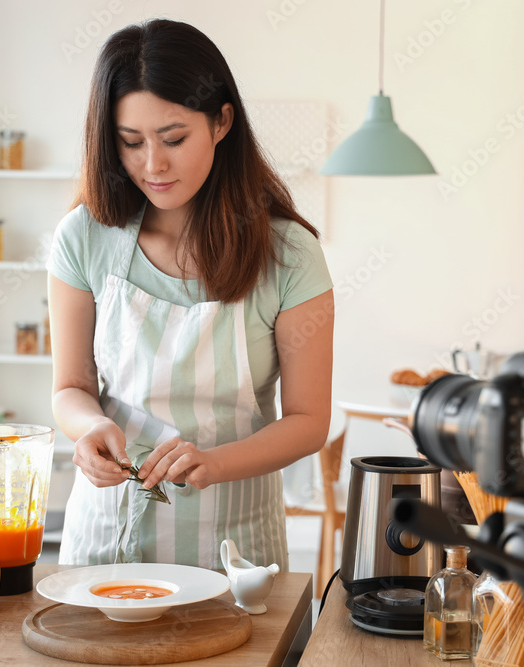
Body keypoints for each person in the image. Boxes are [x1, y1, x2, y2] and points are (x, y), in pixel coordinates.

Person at [46, 19, 334, 571]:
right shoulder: (83, 237)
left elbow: (307, 420)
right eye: (130, 142)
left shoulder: (290, 253)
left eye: (174, 138)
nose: (152, 164)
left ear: (222, 120)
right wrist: (90, 428)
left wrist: (216, 463)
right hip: (104, 541)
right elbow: (70, 388)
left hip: (233, 552)